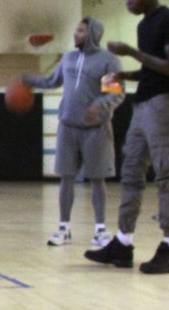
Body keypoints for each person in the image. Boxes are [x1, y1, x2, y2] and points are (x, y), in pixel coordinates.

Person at [86, 0, 169, 274]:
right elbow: (151, 70)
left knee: (166, 175)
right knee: (131, 173)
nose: (127, 1)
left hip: (164, 105)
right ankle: (123, 242)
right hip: (143, 105)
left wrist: (131, 53)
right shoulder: (145, 26)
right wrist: (124, 74)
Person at [18, 17, 124, 247]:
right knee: (66, 178)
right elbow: (50, 81)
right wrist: (26, 80)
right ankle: (63, 228)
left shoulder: (108, 61)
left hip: (96, 130)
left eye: (81, 31)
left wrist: (99, 106)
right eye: (76, 30)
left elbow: (116, 94)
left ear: (93, 34)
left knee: (97, 179)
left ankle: (100, 231)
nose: (75, 34)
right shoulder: (68, 58)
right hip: (68, 127)